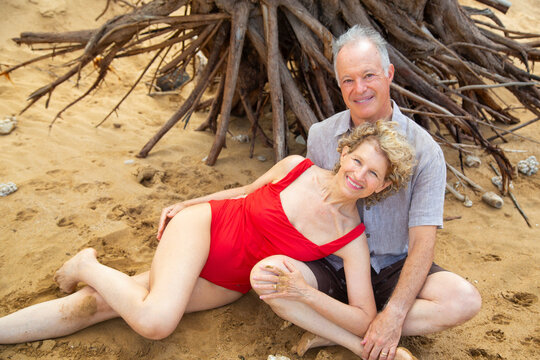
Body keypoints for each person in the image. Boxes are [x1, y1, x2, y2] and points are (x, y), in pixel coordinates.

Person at [0, 121, 415, 360]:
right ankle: (87, 263)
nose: (359, 174)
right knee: (155, 321)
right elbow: (241, 192)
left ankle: (34, 309)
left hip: (227, 282)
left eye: (373, 173)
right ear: (344, 152)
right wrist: (187, 204)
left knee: (102, 303)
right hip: (205, 229)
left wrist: (302, 292)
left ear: (382, 186)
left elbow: (364, 317)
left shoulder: (352, 239)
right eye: (358, 159)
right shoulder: (296, 167)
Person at [249, 25, 482, 360]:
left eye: (369, 75)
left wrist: (396, 313)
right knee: (270, 277)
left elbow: (422, 242)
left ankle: (346, 326)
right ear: (339, 83)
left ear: (389, 73)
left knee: (464, 300)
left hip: (391, 269)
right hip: (327, 265)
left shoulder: (425, 150)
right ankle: (357, 341)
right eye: (348, 80)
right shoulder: (321, 135)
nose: (359, 89)